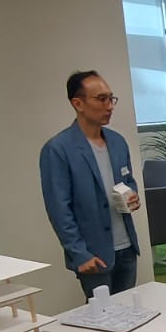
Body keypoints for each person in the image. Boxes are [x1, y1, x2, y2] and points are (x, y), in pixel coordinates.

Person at [40, 70, 142, 300]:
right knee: (101, 315)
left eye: (111, 99)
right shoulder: (58, 149)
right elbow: (59, 209)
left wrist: (133, 195)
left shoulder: (117, 142)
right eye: (101, 99)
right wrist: (79, 254)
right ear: (78, 103)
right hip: (93, 254)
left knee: (129, 311)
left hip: (126, 247)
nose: (109, 106)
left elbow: (128, 180)